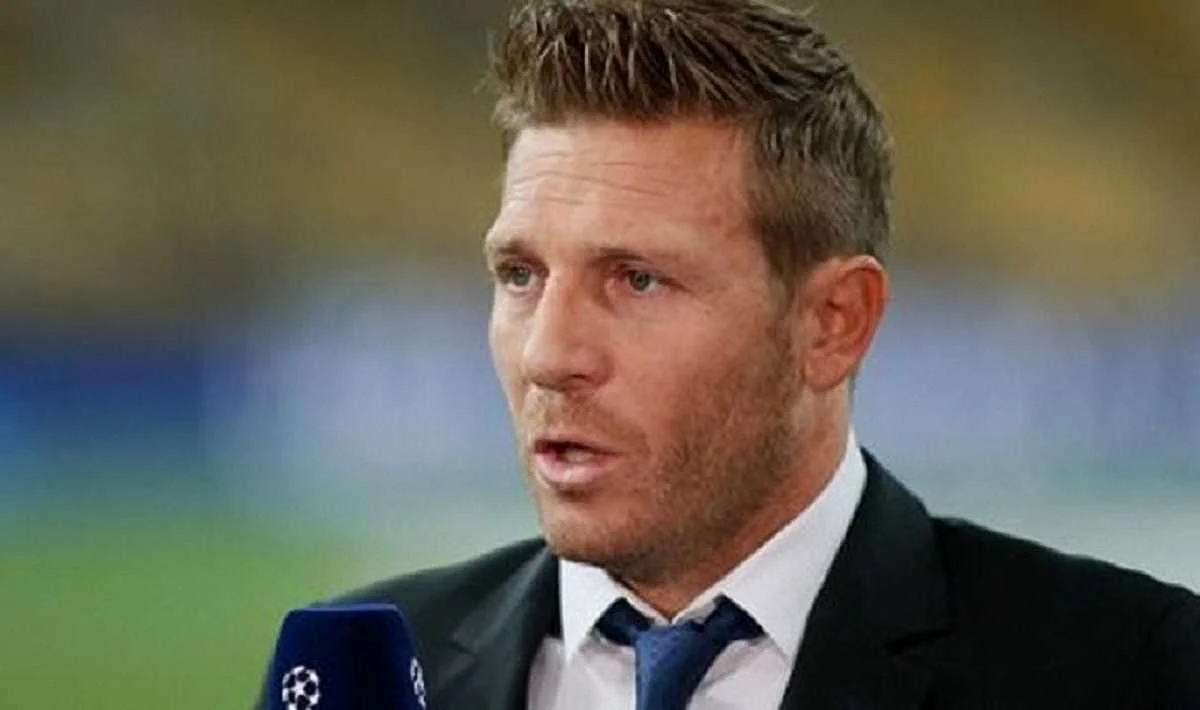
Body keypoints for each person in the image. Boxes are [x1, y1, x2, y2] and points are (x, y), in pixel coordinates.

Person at [259, 1, 1200, 707]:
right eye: (520, 274)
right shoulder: (369, 672)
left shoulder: (1129, 670)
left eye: (637, 280)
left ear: (833, 322)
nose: (549, 354)